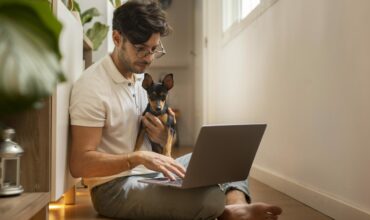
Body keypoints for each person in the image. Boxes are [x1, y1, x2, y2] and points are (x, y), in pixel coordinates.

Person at [69, 1, 282, 219]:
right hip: (114, 187)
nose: (149, 58)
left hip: (151, 171)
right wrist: (137, 157)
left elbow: (157, 143)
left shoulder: (142, 80)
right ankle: (226, 208)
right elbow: (80, 164)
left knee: (229, 158)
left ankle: (237, 207)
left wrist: (161, 138)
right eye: (141, 49)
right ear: (117, 39)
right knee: (210, 198)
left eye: (154, 49)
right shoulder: (92, 86)